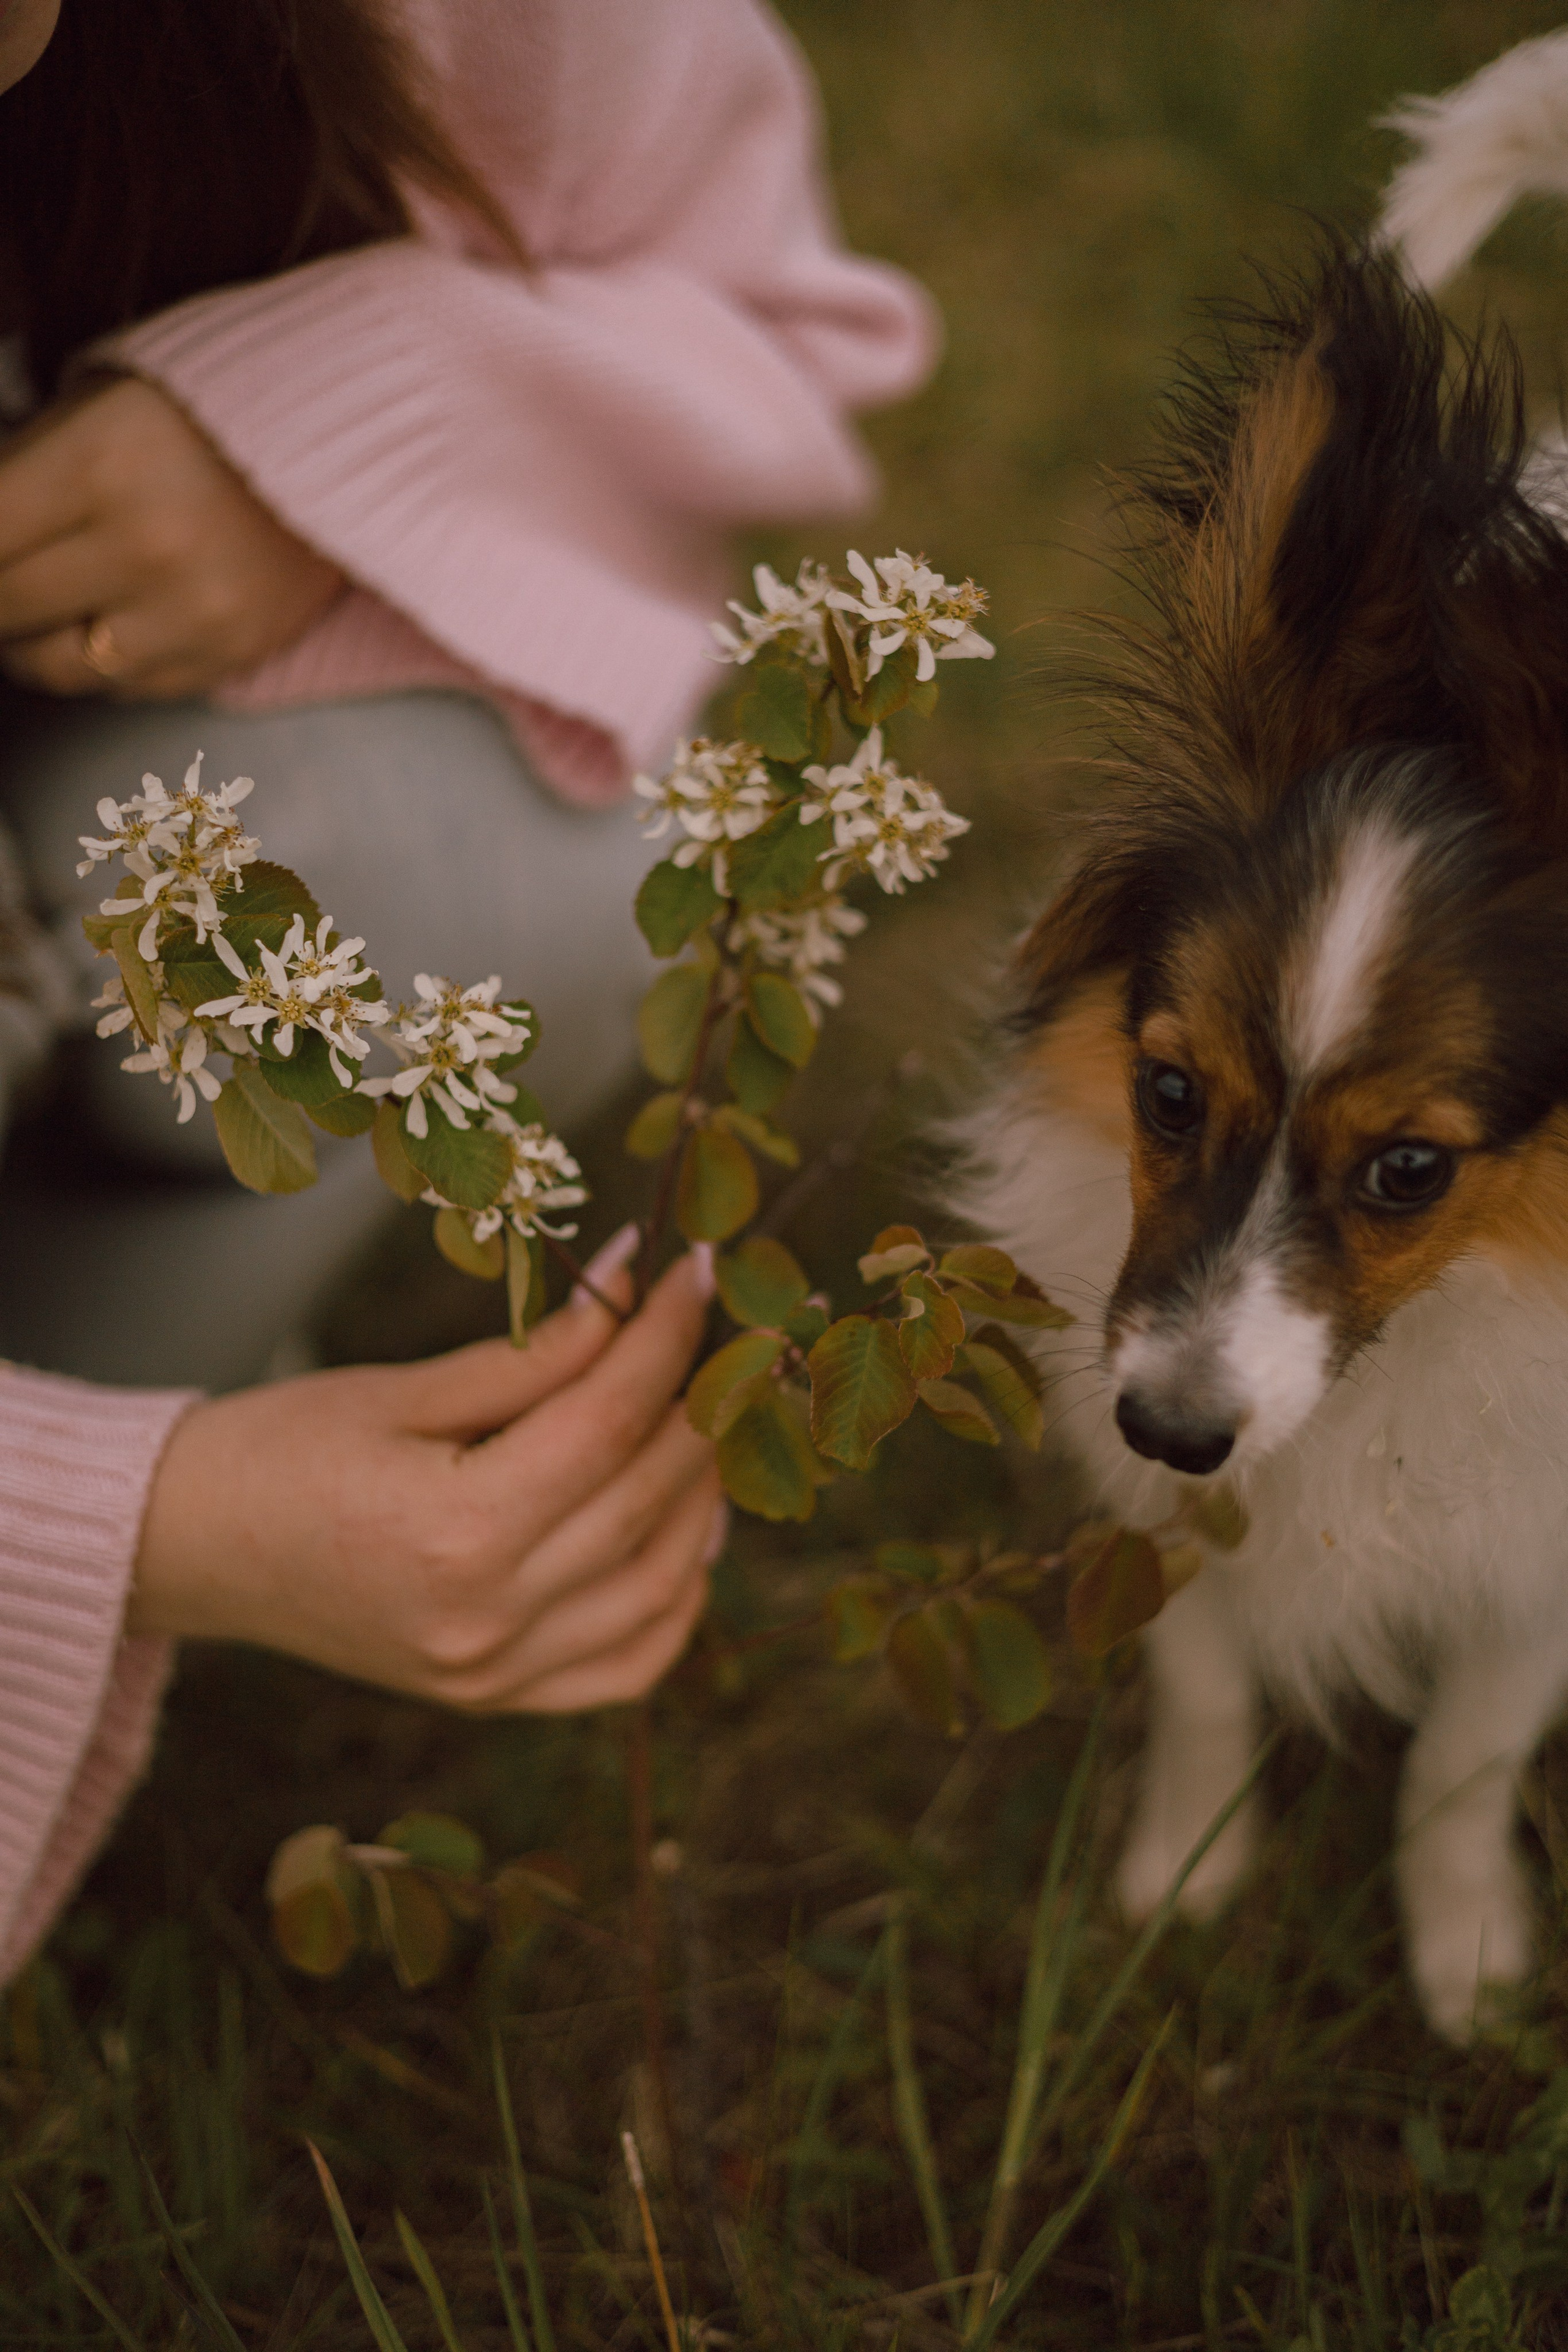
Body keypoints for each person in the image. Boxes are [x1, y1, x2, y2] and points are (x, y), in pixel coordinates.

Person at [0, 0, 935, 1977]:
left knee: (603, 853)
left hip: (90, 810)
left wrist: (330, 437)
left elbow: (760, 295)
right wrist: (147, 1523)